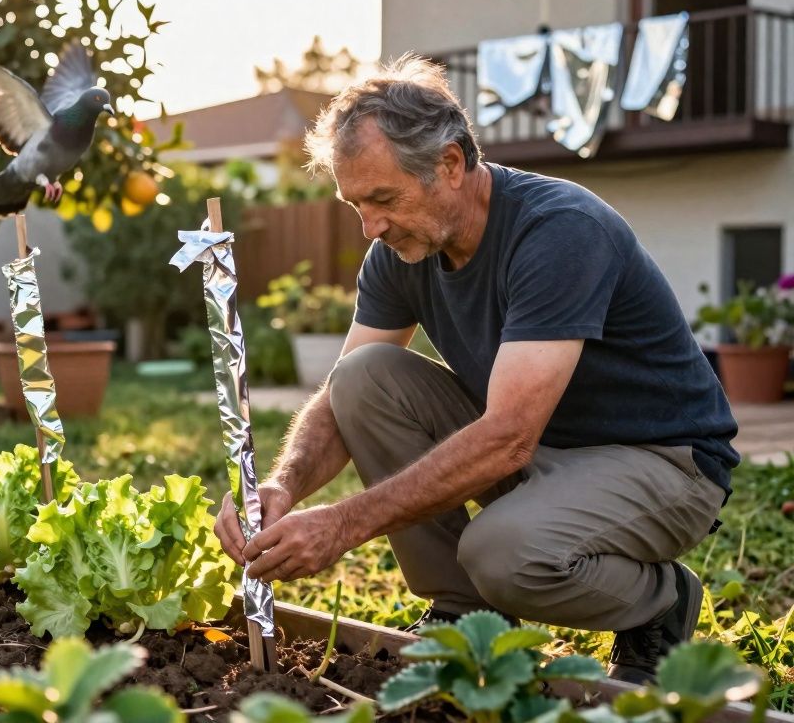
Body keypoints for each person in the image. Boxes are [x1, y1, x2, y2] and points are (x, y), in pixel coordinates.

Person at [212, 55, 739, 684]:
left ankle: (660, 602)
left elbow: (509, 436)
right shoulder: (400, 250)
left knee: (502, 555)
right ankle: (463, 612)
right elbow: (338, 396)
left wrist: (341, 525)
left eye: (383, 199)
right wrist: (283, 486)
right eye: (356, 205)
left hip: (663, 460)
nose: (370, 227)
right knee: (362, 378)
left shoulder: (559, 231)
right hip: (542, 449)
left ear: (450, 165)